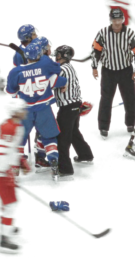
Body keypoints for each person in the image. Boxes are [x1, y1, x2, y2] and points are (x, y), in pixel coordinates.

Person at [5, 38, 67, 178]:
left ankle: (15, 165)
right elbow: (56, 75)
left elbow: (10, 91)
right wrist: (64, 81)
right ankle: (53, 161)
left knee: (19, 137)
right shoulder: (45, 64)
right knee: (49, 137)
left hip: (23, 111)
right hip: (43, 110)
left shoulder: (16, 71)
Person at [0, 98, 33, 254]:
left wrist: (21, 162)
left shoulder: (15, 126)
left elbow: (11, 149)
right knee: (11, 203)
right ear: (16, 112)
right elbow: (0, 151)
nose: (25, 111)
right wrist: (6, 172)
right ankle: (4, 239)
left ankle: (7, 226)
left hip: (1, 170)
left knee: (8, 202)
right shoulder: (9, 128)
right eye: (23, 109)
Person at [90, 8, 135, 139]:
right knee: (106, 99)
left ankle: (130, 123)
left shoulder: (129, 33)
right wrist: (94, 67)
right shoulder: (103, 33)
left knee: (130, 98)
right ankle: (103, 127)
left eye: (119, 19)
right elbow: (95, 50)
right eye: (115, 20)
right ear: (111, 20)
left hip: (126, 71)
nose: (117, 22)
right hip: (108, 71)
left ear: (123, 20)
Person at [53, 45, 95, 179]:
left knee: (62, 138)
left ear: (65, 56)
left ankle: (65, 169)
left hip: (68, 108)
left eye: (58, 55)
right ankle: (85, 155)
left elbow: (51, 82)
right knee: (73, 132)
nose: (56, 57)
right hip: (75, 105)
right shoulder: (68, 67)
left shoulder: (62, 69)